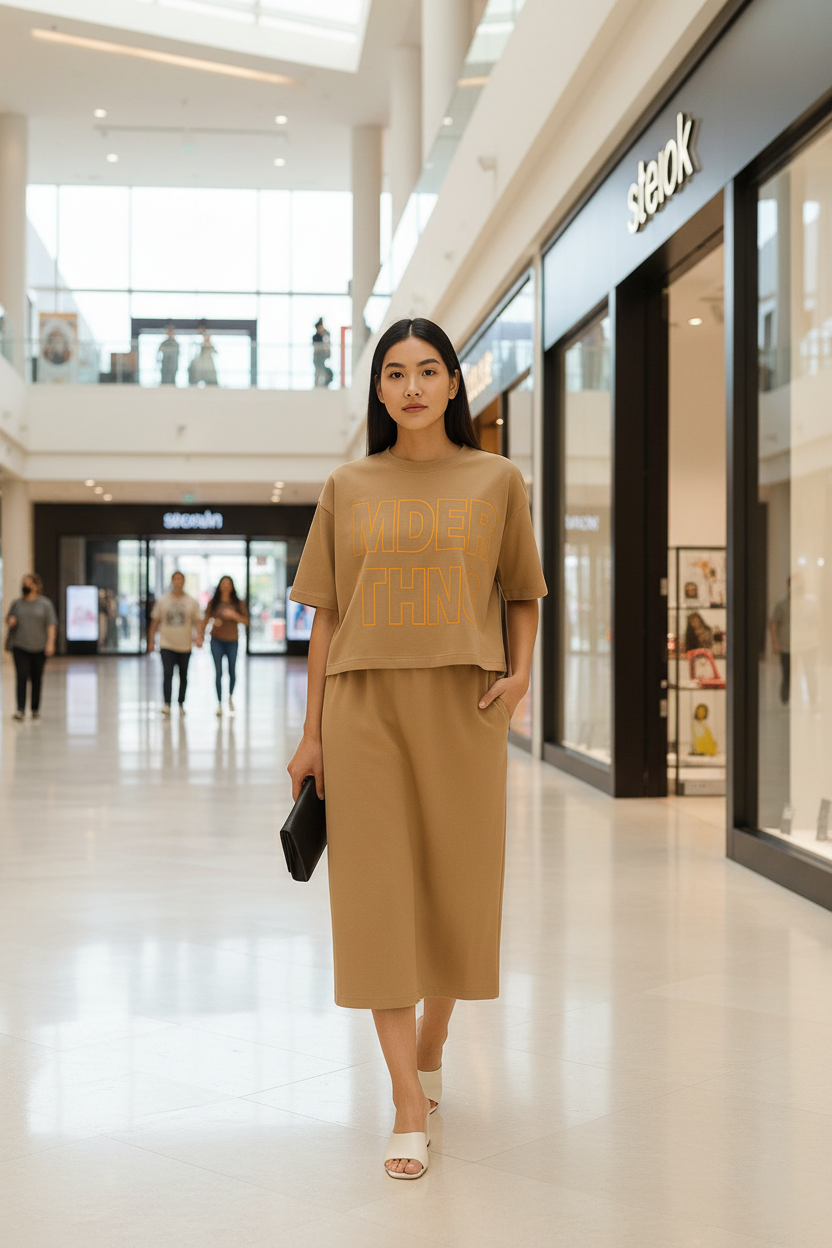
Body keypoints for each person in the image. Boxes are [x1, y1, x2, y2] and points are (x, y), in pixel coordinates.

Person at [287, 317, 547, 1180]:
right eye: (394, 372)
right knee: (376, 898)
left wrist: (518, 680)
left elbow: (524, 590)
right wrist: (313, 731)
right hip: (363, 708)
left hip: (461, 703)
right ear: (378, 389)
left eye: (428, 370)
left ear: (453, 384)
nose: (411, 387)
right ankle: (406, 1096)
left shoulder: (496, 479)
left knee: (455, 888)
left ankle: (435, 1039)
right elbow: (325, 614)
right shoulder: (347, 484)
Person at [146, 571, 202, 714]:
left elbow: (198, 621)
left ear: (184, 582)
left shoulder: (191, 601)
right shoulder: (163, 600)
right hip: (166, 644)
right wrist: (151, 641)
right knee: (167, 673)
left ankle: (181, 703)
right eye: (175, 579)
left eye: (180, 579)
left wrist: (199, 637)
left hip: (185, 644)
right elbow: (155, 621)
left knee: (183, 675)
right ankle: (167, 703)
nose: (178, 582)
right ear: (172, 581)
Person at [5, 573, 57, 721]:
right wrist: (11, 620)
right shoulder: (17, 604)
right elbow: (9, 619)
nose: (24, 586)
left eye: (27, 583)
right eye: (23, 583)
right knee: (21, 676)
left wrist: (50, 643)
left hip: (39, 647)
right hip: (20, 646)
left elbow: (51, 624)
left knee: (36, 677)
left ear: (35, 586)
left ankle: (35, 708)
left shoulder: (45, 604)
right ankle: (20, 709)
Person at [199, 575, 249, 716]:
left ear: (232, 586)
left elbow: (246, 621)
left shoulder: (238, 603)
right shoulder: (213, 603)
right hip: (216, 640)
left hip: (233, 640)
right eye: (223, 583)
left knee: (232, 671)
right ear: (220, 586)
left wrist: (234, 616)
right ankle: (219, 703)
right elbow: (206, 619)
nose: (226, 586)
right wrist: (201, 635)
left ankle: (230, 697)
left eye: (228, 584)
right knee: (218, 672)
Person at [189, 322, 218, 386]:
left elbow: (216, 352)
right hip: (200, 364)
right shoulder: (197, 341)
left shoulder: (209, 345)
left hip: (208, 364)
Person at [312, 318, 332, 387]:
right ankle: (317, 385)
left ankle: (323, 384)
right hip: (317, 357)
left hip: (322, 357)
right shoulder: (315, 337)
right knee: (318, 371)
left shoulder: (325, 336)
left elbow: (327, 341)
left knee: (323, 372)